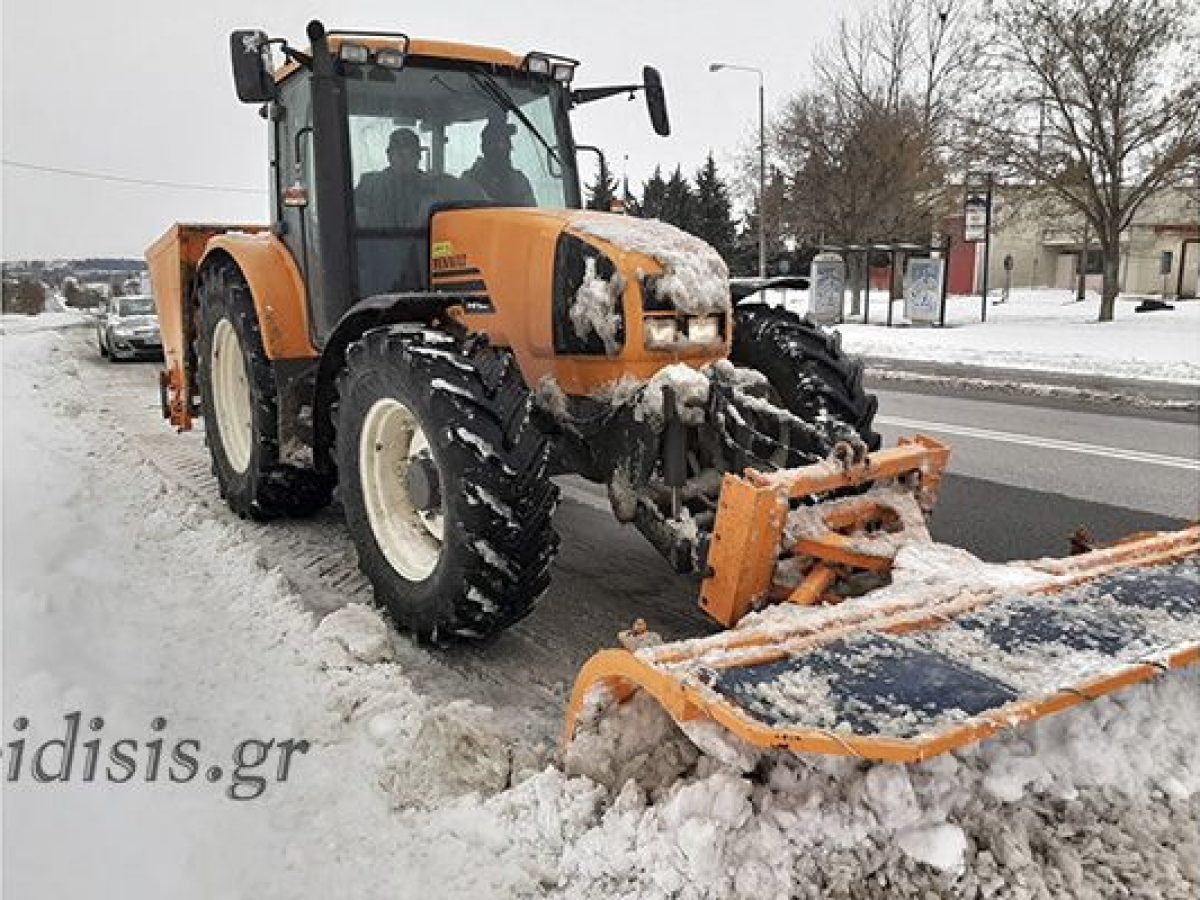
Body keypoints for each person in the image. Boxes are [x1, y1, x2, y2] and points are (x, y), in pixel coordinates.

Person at [354, 128, 430, 228]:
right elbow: (357, 222)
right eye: (399, 154)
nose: (404, 159)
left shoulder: (431, 187)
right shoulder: (369, 186)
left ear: (419, 156)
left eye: (410, 154)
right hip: (377, 242)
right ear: (389, 156)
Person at [463, 121, 536, 207]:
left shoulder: (519, 180)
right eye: (495, 141)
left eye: (505, 141)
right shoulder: (470, 180)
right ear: (485, 147)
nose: (502, 146)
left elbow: (531, 214)